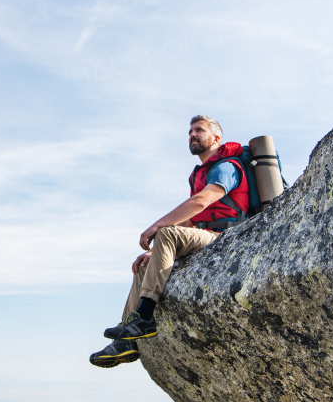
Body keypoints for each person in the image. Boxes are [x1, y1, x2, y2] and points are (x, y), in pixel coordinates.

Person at [90, 115, 250, 368]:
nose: (192, 135)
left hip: (227, 237)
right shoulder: (200, 173)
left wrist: (157, 225)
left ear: (216, 138)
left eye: (199, 130)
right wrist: (155, 252)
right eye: (190, 132)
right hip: (205, 234)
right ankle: (126, 339)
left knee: (166, 231)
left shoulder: (227, 166)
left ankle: (144, 316)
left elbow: (200, 202)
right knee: (143, 264)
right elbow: (192, 221)